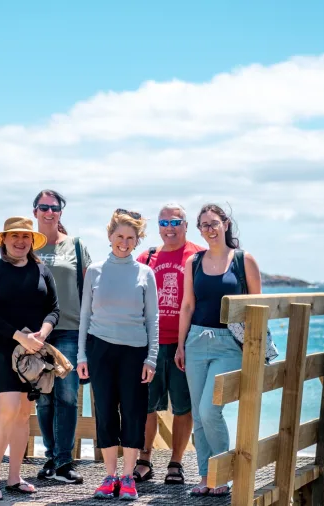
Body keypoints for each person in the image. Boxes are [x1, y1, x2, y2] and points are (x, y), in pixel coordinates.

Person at [175, 204, 262, 497]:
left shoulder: (243, 260)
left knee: (209, 411)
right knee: (198, 417)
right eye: (203, 225)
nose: (209, 230)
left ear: (226, 224)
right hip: (196, 341)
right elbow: (187, 305)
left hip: (229, 343)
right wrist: (180, 345)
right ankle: (204, 477)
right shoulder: (193, 262)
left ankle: (222, 475)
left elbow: (258, 307)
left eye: (214, 223)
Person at [77, 209, 159, 501]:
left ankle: (128, 477)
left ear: (137, 241)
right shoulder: (95, 271)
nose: (124, 242)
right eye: (119, 236)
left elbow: (153, 319)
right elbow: (85, 315)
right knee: (106, 412)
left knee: (134, 414)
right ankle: (110, 475)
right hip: (100, 349)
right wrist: (81, 355)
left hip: (135, 351)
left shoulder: (145, 273)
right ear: (110, 236)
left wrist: (151, 358)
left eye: (130, 238)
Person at [0, 216, 61, 501]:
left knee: (24, 414)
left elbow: (54, 309)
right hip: (3, 348)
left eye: (25, 236)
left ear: (32, 241)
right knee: (9, 410)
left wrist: (43, 332)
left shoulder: (42, 270)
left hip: (34, 352)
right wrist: (19, 336)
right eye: (14, 236)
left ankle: (14, 477)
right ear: (4, 240)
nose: (20, 241)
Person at [133, 203, 205, 485]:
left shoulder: (198, 255)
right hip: (149, 344)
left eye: (176, 222)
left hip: (184, 344)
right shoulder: (146, 257)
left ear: (186, 225)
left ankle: (176, 462)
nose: (170, 229)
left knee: (182, 407)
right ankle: (144, 459)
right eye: (163, 224)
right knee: (146, 406)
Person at [32, 189, 91, 484]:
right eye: (43, 207)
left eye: (54, 207)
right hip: (37, 334)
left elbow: (91, 291)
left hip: (70, 329)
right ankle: (51, 458)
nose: (49, 212)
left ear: (60, 212)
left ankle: (65, 462)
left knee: (67, 397)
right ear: (35, 212)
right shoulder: (26, 246)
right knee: (44, 399)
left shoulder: (76, 247)